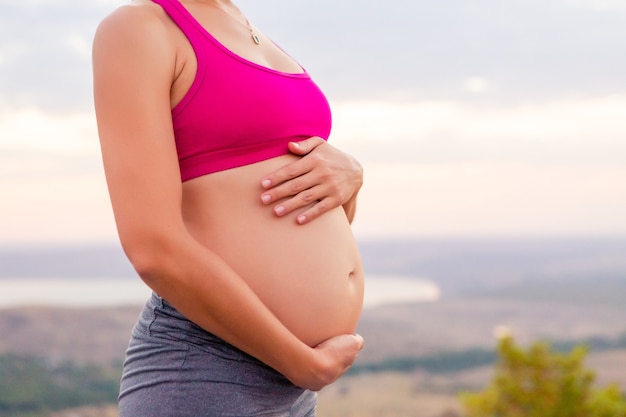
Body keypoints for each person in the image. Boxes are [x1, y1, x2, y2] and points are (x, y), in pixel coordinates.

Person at [92, 0, 365, 415]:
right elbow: (152, 248)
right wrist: (300, 363)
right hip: (206, 373)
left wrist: (350, 178)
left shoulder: (247, 27)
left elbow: (308, 215)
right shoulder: (141, 27)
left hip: (292, 385)